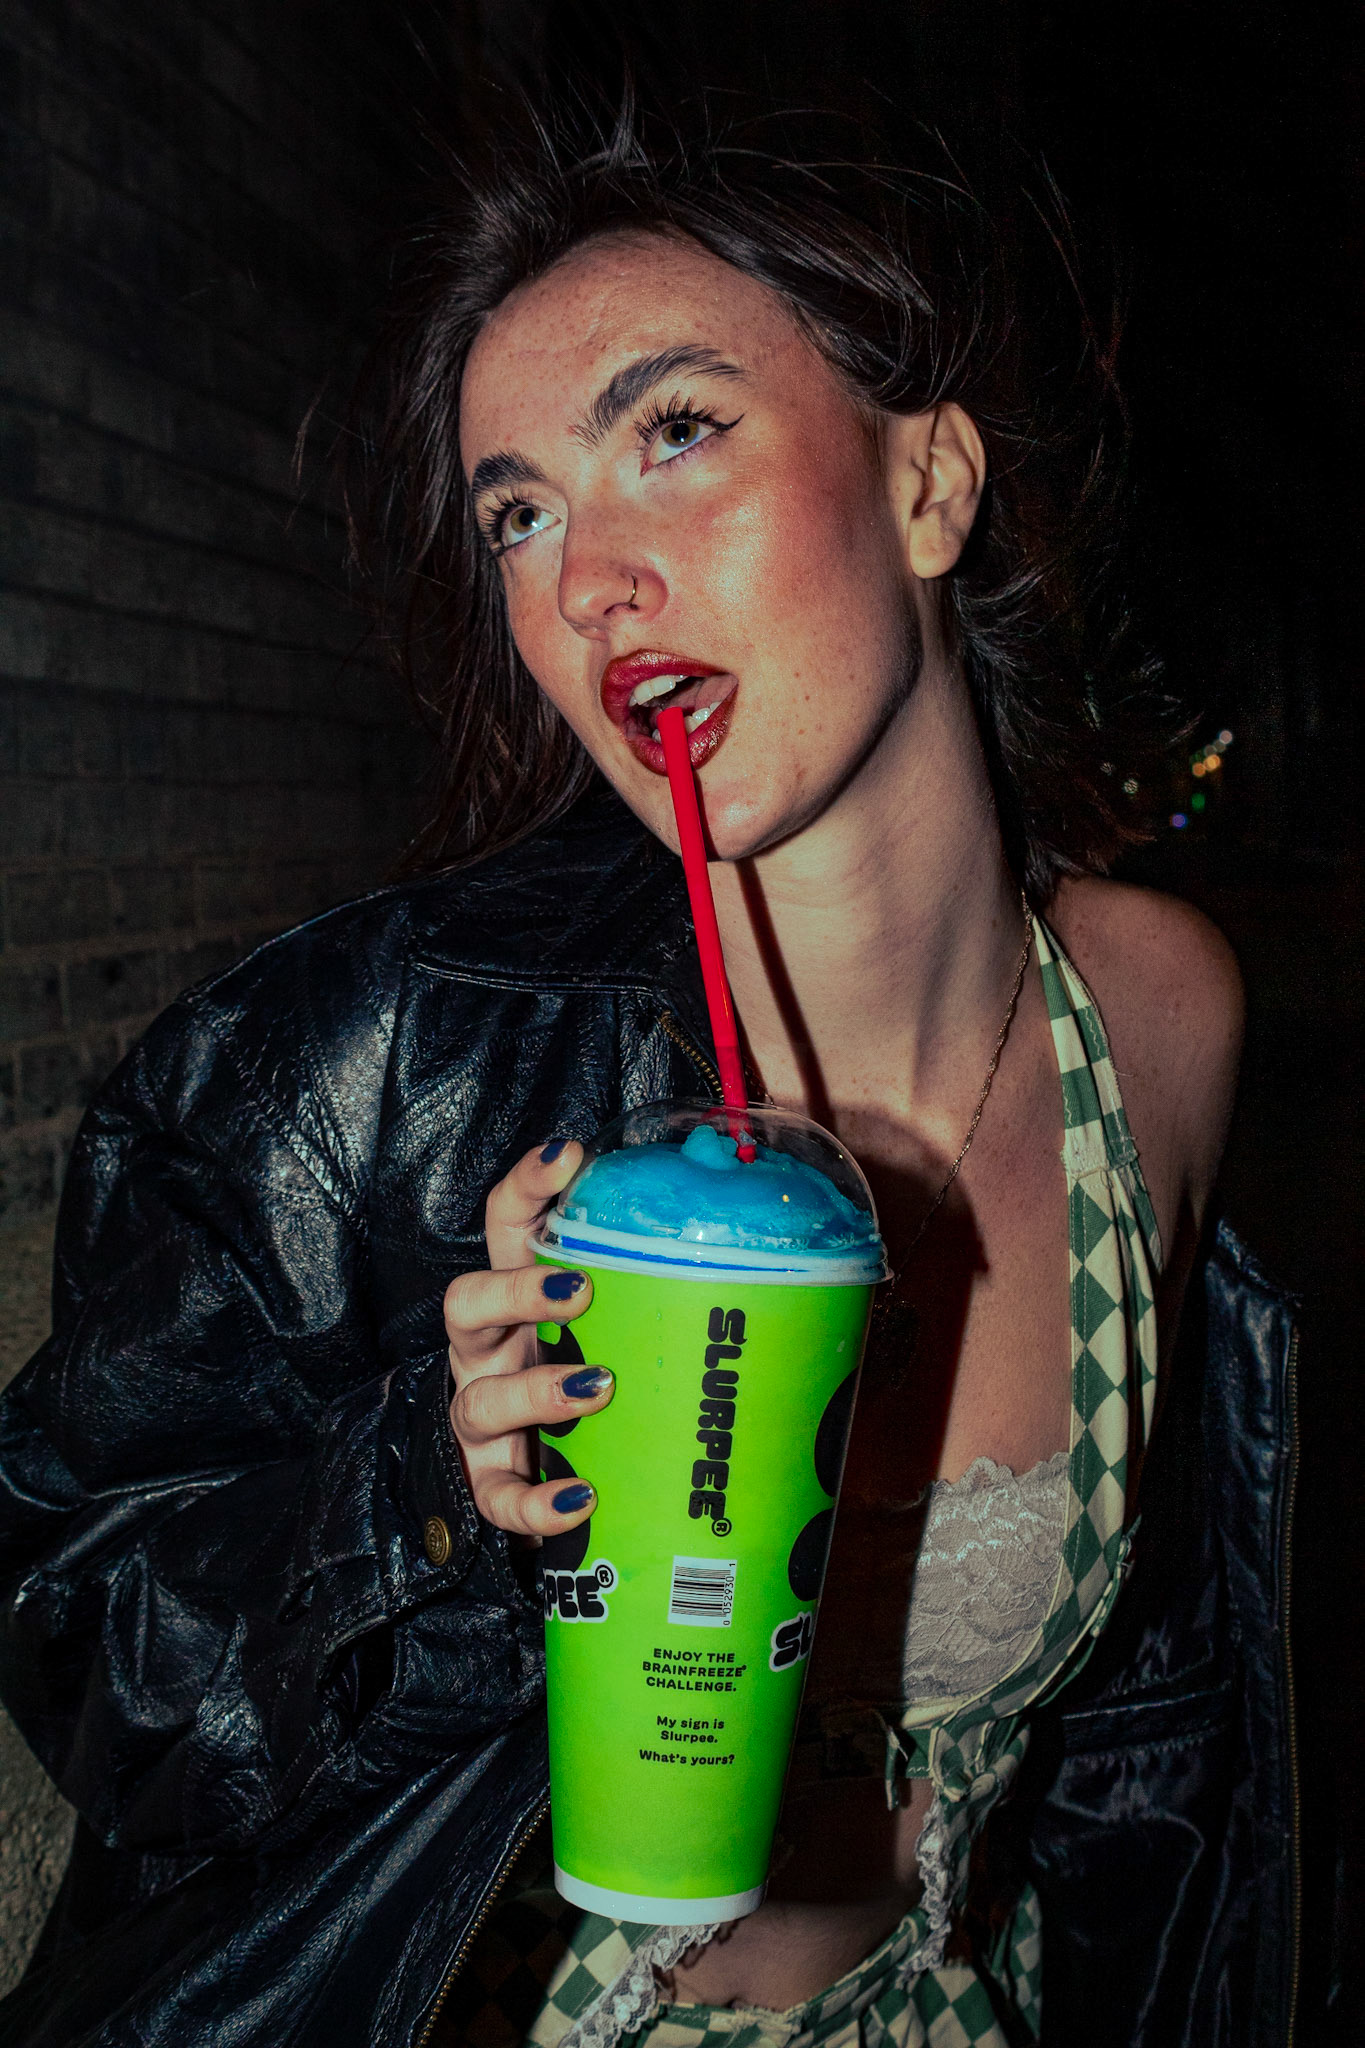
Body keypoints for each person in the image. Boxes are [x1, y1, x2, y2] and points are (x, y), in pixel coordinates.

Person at [0, 112, 1299, 2048]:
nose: (590, 577)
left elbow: (1152, 1726)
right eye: (516, 515)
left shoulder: (1153, 1012)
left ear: (925, 480)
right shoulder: (362, 1062)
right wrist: (426, 1485)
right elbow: (92, 1660)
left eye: (674, 431)